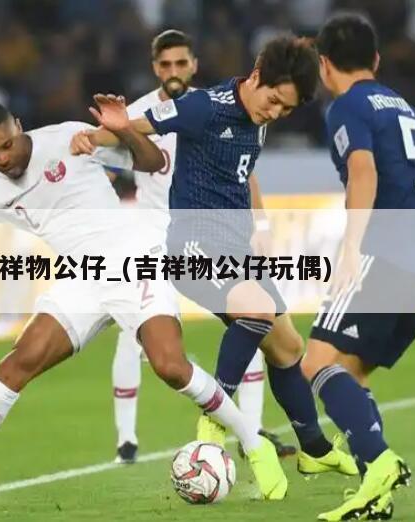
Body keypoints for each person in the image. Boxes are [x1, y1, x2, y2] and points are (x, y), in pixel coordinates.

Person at [0, 99, 289, 507]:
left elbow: (152, 162)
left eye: (6, 145)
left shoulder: (68, 138)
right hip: (82, 278)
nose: (2, 158)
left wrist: (123, 130)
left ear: (19, 126)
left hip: (132, 257)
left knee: (170, 366)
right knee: (17, 363)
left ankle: (254, 444)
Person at [72, 34, 357, 483]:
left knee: (288, 348)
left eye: (286, 109)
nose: (275, 113)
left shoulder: (258, 111)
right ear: (257, 78)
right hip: (192, 245)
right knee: (257, 311)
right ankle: (215, 419)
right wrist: (91, 136)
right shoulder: (203, 107)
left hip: (236, 249)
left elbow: (245, 173)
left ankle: (315, 450)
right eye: (275, 102)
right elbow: (132, 128)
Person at [301, 13, 415, 521]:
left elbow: (362, 171)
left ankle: (380, 462)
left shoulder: (347, 107)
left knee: (314, 363)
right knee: (351, 373)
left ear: (324, 65)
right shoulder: (404, 107)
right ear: (375, 59)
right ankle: (377, 491)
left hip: (381, 250)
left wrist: (351, 247)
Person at [108, 28, 293, 465]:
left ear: (193, 65)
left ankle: (250, 429)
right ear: (155, 68)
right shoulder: (136, 114)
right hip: (153, 237)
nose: (173, 70)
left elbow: (245, 171)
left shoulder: (216, 106)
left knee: (252, 322)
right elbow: (106, 166)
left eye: (181, 62)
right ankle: (126, 442)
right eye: (165, 64)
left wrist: (261, 223)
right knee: (133, 336)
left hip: (210, 234)